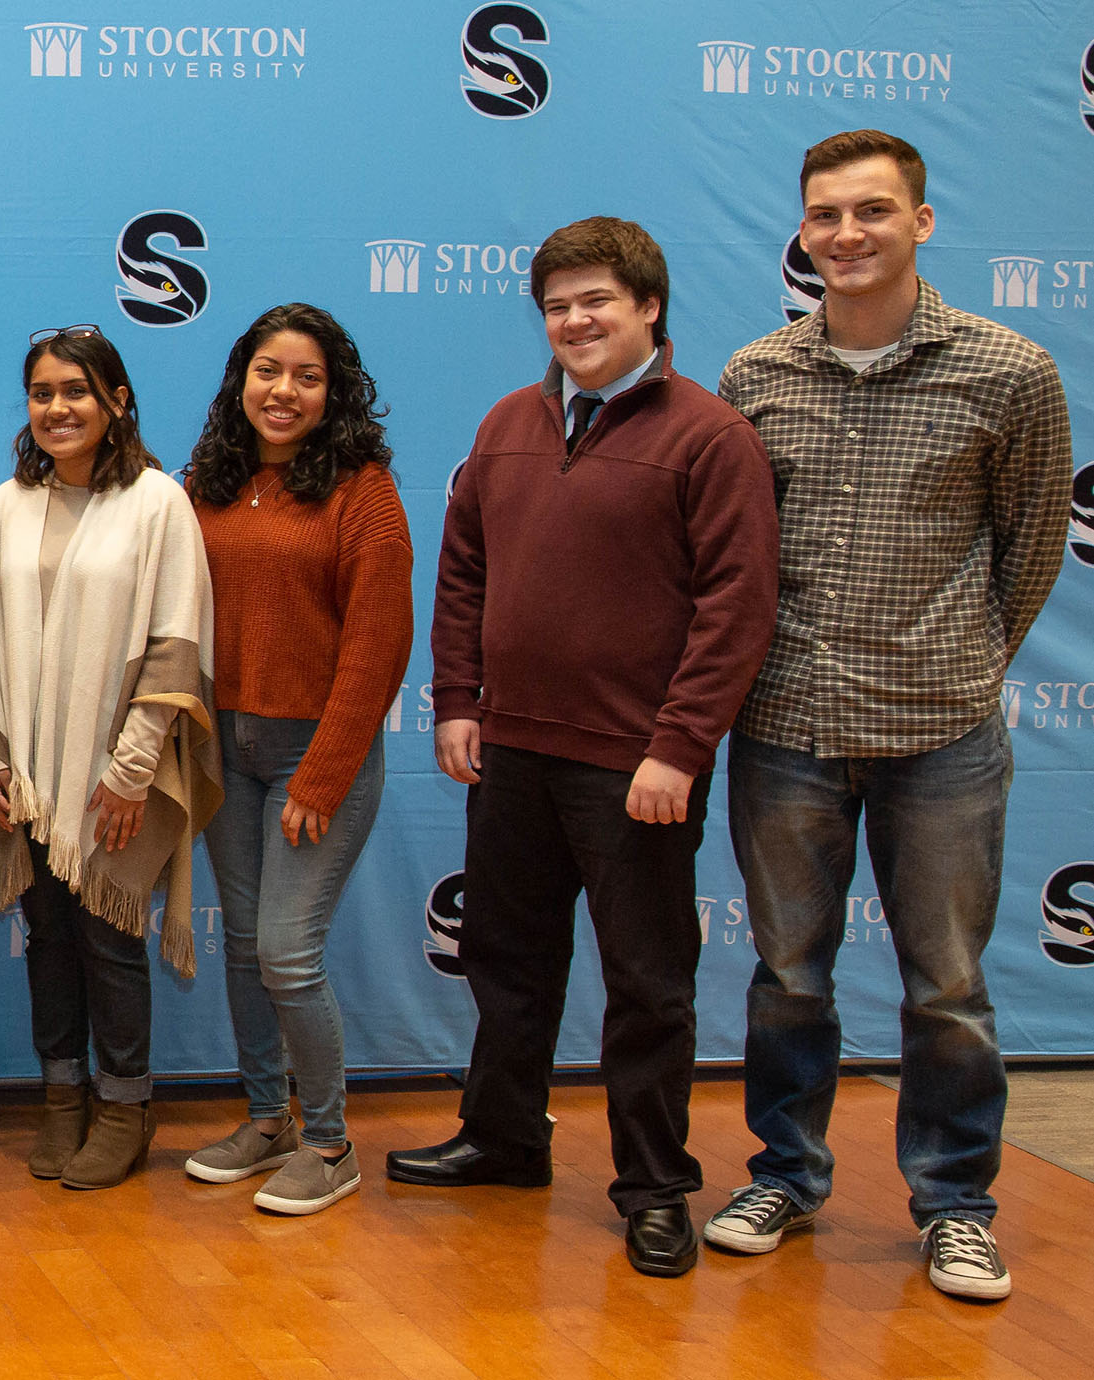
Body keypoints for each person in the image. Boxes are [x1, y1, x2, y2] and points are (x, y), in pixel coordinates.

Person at [708, 130, 1072, 1302]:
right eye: (824, 215)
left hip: (942, 739)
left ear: (920, 221)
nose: (846, 234)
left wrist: (958, 661)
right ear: (802, 232)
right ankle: (784, 1173)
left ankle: (956, 1203)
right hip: (785, 731)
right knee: (787, 977)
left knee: (947, 986)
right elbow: (730, 557)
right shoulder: (753, 375)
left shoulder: (1009, 372)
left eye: (871, 211)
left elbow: (1028, 551)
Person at [391, 217, 778, 1280]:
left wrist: (680, 746)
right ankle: (505, 1139)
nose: (574, 321)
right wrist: (459, 701)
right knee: (508, 963)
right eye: (557, 305)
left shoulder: (710, 437)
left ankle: (654, 1188)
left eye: (595, 301)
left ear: (648, 306)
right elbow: (463, 570)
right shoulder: (511, 421)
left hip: (636, 767)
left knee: (647, 984)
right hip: (509, 749)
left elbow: (735, 607)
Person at [0, 325, 219, 1194]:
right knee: (46, 941)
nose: (57, 408)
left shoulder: (157, 504)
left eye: (76, 391)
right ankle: (61, 1099)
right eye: (41, 393)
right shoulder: (4, 507)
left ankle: (123, 1110)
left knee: (109, 945)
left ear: (116, 401)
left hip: (115, 771)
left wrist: (131, 767)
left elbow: (174, 642)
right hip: (26, 770)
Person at [176, 304, 411, 1216]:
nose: (283, 392)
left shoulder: (362, 489)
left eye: (305, 377)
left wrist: (320, 774)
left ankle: (328, 1141)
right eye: (268, 371)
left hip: (315, 753)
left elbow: (377, 646)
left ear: (332, 392)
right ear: (241, 379)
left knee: (285, 951)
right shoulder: (207, 481)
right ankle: (266, 1116)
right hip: (222, 749)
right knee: (243, 947)